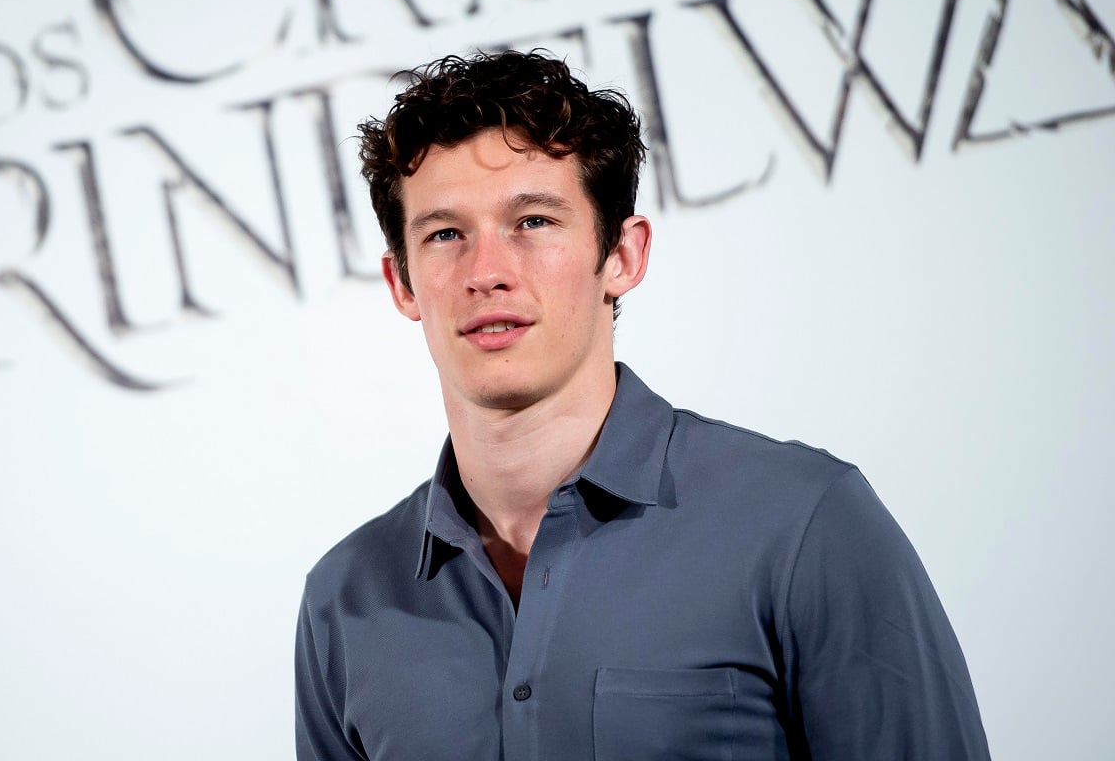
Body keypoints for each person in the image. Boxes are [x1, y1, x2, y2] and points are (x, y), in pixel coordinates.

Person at [294, 50, 990, 760]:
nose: (487, 273)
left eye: (533, 221)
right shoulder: (343, 600)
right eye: (446, 234)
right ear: (402, 283)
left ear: (623, 256)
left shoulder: (803, 524)